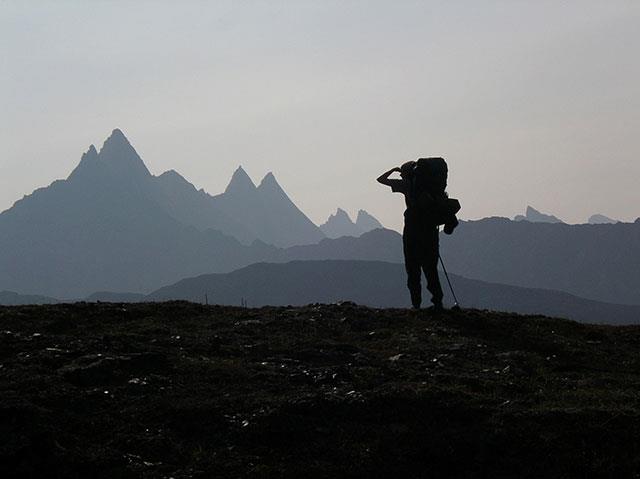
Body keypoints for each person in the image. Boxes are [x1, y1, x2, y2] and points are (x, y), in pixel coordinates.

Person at [377, 160, 457, 311]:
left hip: (412, 232)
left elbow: (381, 180)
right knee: (430, 270)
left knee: (413, 270)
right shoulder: (430, 190)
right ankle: (437, 302)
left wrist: (393, 169)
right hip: (430, 232)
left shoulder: (406, 186)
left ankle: (416, 304)